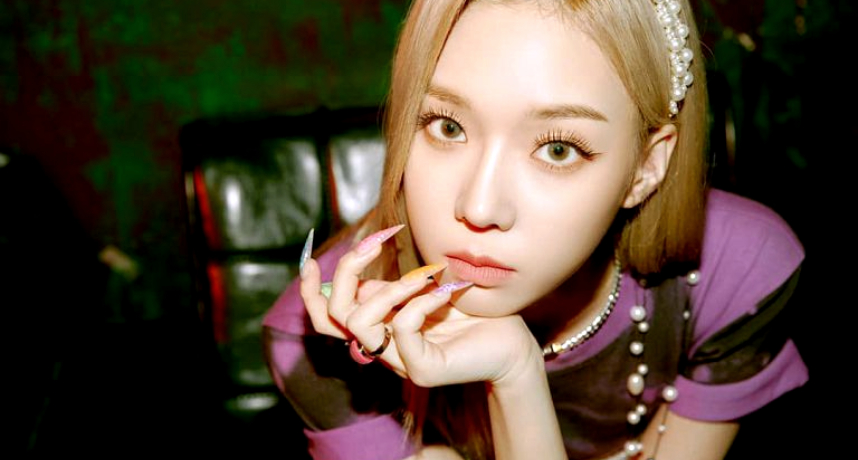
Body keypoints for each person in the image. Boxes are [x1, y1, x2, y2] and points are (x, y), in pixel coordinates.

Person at [262, 0, 808, 459]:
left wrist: (515, 372)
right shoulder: (315, 344)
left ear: (646, 167)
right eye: (446, 126)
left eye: (558, 148)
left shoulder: (735, 271)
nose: (479, 207)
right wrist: (513, 371)